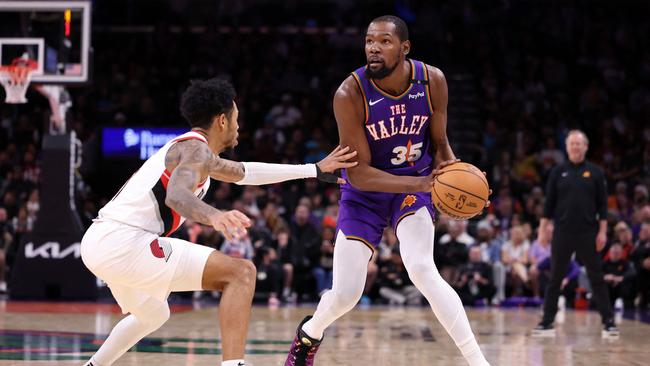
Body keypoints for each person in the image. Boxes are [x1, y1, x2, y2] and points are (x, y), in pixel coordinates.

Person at [80, 78, 357, 366]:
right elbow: (176, 196)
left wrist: (312, 169)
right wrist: (215, 215)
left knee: (154, 314)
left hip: (101, 242)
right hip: (124, 242)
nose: (239, 125)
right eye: (236, 118)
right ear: (222, 120)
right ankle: (233, 364)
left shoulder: (199, 154)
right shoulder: (194, 150)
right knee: (241, 273)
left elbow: (245, 172)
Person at [285, 15, 490, 366]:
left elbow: (440, 145)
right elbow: (360, 175)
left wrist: (460, 175)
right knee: (345, 295)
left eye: (384, 41)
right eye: (369, 41)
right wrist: (424, 182)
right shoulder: (349, 93)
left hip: (411, 190)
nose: (373, 49)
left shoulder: (433, 81)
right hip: (365, 194)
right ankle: (309, 334)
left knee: (423, 269)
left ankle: (478, 362)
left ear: (404, 47)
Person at [532, 129, 618, 338]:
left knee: (596, 277)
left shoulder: (596, 173)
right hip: (562, 233)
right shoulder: (557, 171)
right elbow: (548, 205)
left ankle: (608, 322)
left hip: (588, 233)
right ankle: (547, 322)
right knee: (555, 278)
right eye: (572, 143)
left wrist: (603, 232)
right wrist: (543, 230)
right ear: (567, 147)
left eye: (579, 143)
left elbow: (602, 207)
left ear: (586, 147)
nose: (576, 147)